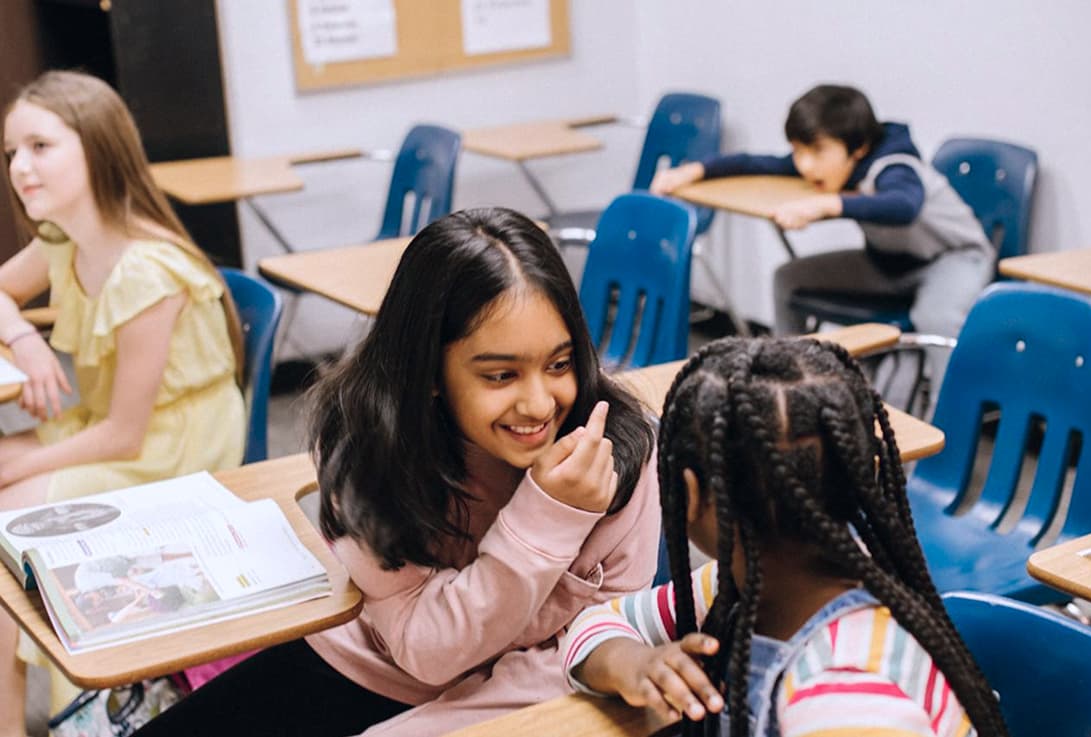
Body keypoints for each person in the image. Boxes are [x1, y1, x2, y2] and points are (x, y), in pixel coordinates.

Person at [133, 207, 661, 737]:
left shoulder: (621, 452)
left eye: (559, 364)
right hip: (369, 668)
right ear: (428, 372)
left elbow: (593, 646)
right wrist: (546, 518)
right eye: (501, 375)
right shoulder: (372, 450)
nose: (540, 403)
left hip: (522, 695)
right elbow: (429, 653)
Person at [561, 337, 1009, 737]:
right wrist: (634, 663)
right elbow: (588, 626)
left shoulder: (845, 699)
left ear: (689, 495)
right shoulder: (734, 587)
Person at [0, 70, 246, 735]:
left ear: (97, 147)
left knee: (10, 514)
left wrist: (21, 467)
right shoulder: (65, 241)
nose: (19, 167)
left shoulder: (145, 270)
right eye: (12, 152)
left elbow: (126, 436)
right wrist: (24, 340)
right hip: (117, 427)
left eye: (40, 147)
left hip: (172, 446)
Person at [651, 84, 993, 345]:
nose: (804, 164)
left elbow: (904, 206)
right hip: (888, 264)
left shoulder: (897, 166)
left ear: (858, 148)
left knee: (935, 317)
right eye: (798, 150)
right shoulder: (828, 164)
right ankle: (790, 380)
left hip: (954, 259)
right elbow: (756, 162)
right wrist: (692, 171)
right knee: (788, 279)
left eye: (817, 151)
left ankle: (945, 411)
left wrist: (827, 204)